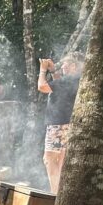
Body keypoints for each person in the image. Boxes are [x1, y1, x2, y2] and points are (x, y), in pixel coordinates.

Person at [38, 52, 84, 194]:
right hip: (67, 124)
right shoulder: (75, 80)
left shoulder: (68, 80)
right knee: (61, 163)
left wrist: (43, 70)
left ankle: (55, 196)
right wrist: (53, 71)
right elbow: (58, 88)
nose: (62, 66)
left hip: (58, 126)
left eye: (65, 63)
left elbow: (42, 87)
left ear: (73, 66)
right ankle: (59, 195)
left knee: (50, 161)